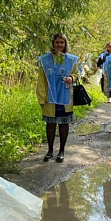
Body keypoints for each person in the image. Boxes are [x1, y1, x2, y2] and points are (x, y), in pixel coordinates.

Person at [37, 34, 79, 163]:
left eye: (62, 42)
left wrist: (71, 78)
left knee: (63, 124)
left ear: (65, 44)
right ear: (53, 43)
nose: (59, 45)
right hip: (50, 97)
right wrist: (41, 98)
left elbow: (77, 75)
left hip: (65, 96)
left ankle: (61, 151)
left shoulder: (72, 60)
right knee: (50, 124)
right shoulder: (45, 60)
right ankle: (50, 151)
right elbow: (41, 80)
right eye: (57, 42)